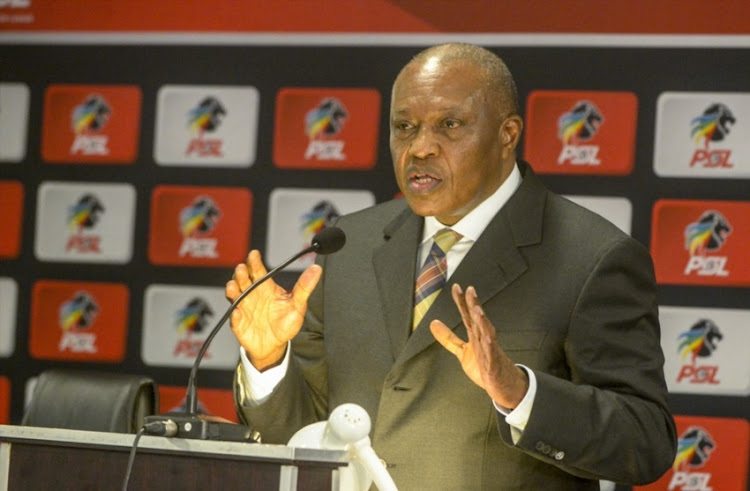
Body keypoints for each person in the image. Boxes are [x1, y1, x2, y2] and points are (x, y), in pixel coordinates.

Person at [226, 43, 677, 490]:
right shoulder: (351, 244)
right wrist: (268, 363)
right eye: (404, 126)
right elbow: (308, 432)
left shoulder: (592, 256)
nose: (420, 148)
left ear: (507, 134)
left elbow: (646, 440)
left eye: (449, 125)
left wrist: (519, 394)